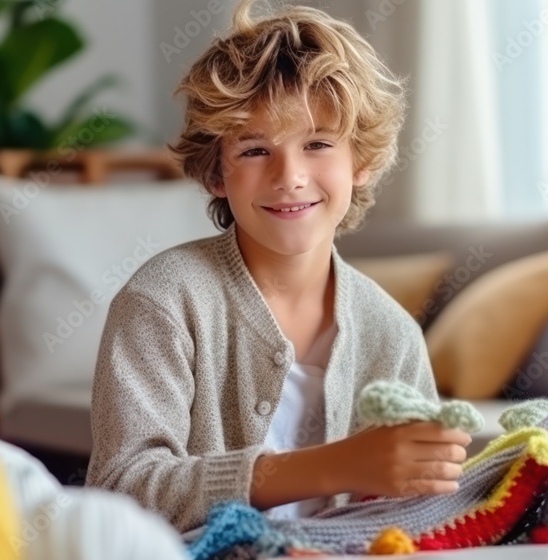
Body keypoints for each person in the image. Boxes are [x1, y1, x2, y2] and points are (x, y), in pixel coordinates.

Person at [85, 0, 471, 534]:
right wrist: (331, 466)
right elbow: (120, 489)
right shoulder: (163, 300)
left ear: (359, 162)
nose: (289, 176)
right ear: (216, 171)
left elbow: (418, 522)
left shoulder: (393, 334)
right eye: (254, 149)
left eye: (317, 144)